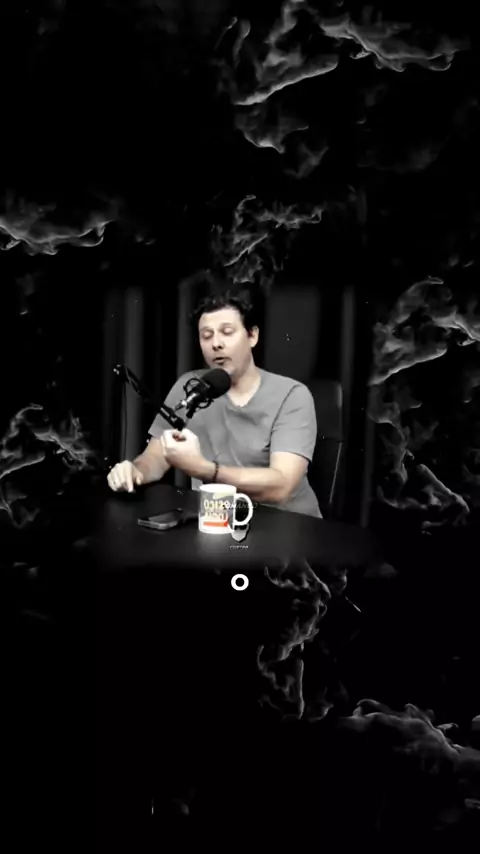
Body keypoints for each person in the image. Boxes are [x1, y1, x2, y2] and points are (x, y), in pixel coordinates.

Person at [107, 285, 322, 517]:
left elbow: (282, 486)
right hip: (218, 518)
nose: (216, 344)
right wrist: (135, 472)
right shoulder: (190, 386)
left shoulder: (292, 395)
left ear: (252, 336)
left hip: (287, 523)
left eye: (227, 332)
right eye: (206, 335)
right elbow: (156, 456)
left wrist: (205, 470)